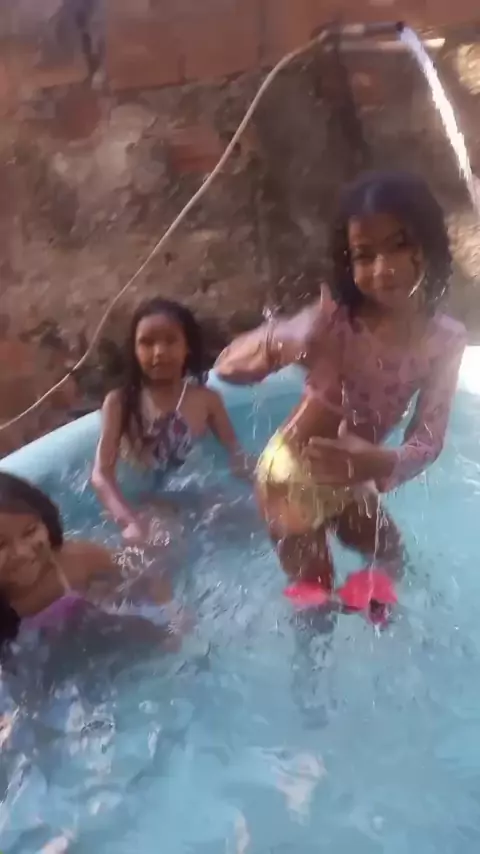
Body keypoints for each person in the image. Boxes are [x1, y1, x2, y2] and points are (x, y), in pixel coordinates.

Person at [215, 170, 467, 623]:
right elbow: (225, 368)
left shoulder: (445, 340)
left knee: (391, 556)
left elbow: (428, 438)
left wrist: (378, 462)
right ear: (348, 263)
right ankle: (312, 656)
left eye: (399, 244)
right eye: (364, 255)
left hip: (351, 476)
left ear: (428, 244)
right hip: (289, 475)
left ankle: (368, 626)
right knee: (316, 597)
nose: (382, 268)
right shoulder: (336, 322)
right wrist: (283, 336)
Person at [92, 298, 250, 542]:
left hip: (193, 493)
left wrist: (264, 481)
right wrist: (128, 521)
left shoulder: (206, 400)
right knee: (160, 541)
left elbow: (236, 454)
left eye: (170, 340)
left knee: (247, 521)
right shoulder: (120, 403)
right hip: (144, 501)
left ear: (187, 346)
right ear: (134, 350)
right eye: (147, 342)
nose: (159, 351)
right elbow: (101, 474)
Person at [0, 472, 175, 650]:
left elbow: (140, 568)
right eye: (1, 545)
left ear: (46, 522)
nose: (21, 552)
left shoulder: (72, 560)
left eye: (30, 531)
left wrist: (172, 614)